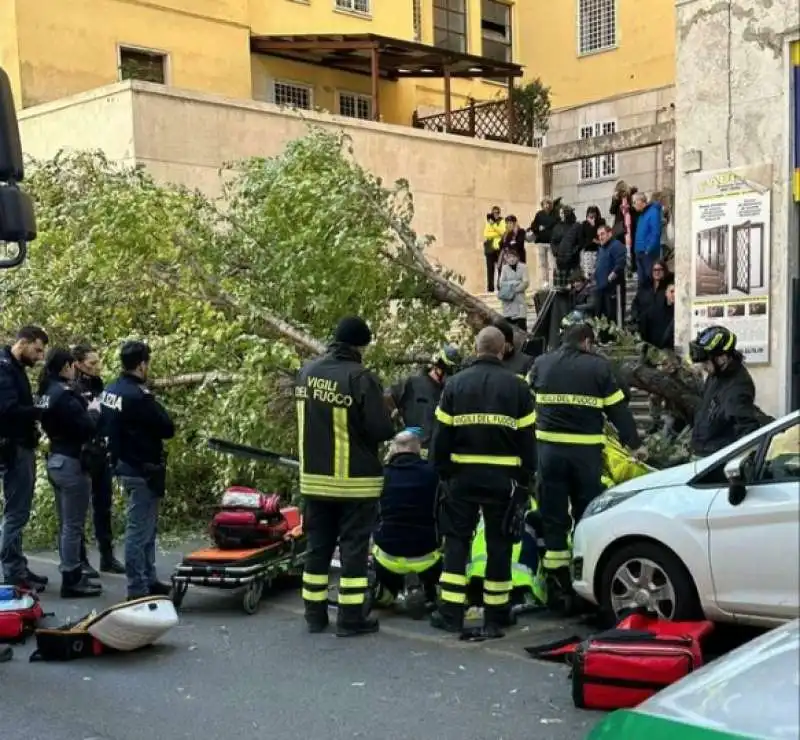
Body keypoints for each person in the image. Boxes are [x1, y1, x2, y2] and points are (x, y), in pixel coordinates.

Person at [429, 326, 536, 636]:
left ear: (475, 349)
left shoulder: (454, 385)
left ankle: (450, 613)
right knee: (499, 546)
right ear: (503, 350)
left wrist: (443, 472)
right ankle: (495, 616)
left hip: (461, 479)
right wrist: (526, 479)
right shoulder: (517, 388)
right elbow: (528, 440)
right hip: (503, 482)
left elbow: (440, 438)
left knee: (457, 543)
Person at [528, 321, 641, 608]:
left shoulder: (542, 363)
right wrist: (635, 444)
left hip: (549, 453)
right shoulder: (598, 368)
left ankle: (556, 586)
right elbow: (618, 410)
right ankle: (584, 585)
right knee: (586, 517)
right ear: (588, 342)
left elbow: (528, 401)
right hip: (585, 455)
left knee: (553, 517)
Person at [296, 316, 395, 637]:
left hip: (313, 479)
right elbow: (380, 429)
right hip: (355, 482)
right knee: (353, 549)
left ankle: (314, 615)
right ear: (360, 345)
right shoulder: (360, 377)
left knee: (317, 547)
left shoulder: (307, 372)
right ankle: (350, 618)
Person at [100, 341, 175, 601]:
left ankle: (148, 579)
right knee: (139, 531)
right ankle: (137, 588)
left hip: (124, 464)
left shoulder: (110, 390)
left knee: (145, 528)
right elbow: (167, 427)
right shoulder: (139, 396)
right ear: (142, 364)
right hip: (142, 468)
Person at [37, 348, 103, 598]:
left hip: (55, 458)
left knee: (66, 523)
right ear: (67, 366)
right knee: (73, 526)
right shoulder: (64, 394)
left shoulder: (45, 391)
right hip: (71, 461)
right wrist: (95, 411)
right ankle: (71, 577)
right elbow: (86, 425)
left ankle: (71, 571)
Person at [371, 430, 441, 620]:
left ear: (393, 449)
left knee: (377, 548)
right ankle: (427, 592)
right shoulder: (433, 474)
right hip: (426, 556)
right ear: (418, 449)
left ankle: (384, 593)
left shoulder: (380, 475)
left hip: (387, 557)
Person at [0, 325, 49, 593]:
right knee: (16, 513)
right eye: (38, 349)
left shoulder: (15, 368)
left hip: (21, 445)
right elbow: (6, 409)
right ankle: (11, 571)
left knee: (19, 510)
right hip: (13, 447)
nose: (40, 356)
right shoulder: (4, 368)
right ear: (24, 342)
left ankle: (17, 564)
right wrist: (38, 411)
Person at [73, 343, 125, 576]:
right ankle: (81, 559)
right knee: (79, 510)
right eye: (92, 363)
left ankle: (107, 556)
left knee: (103, 506)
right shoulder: (72, 387)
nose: (97, 367)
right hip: (83, 453)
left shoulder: (98, 384)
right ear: (78, 364)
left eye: (98, 362)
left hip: (102, 451)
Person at [688, 326, 762, 457]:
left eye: (706, 362)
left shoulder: (738, 387)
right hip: (702, 452)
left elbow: (746, 431)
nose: (703, 366)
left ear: (722, 357)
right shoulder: (716, 376)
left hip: (716, 460)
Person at [386, 345, 461, 457]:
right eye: (447, 372)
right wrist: (395, 415)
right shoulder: (412, 383)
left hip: (437, 456)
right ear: (437, 366)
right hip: (410, 454)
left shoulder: (449, 391)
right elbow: (387, 396)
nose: (449, 377)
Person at [593, 224, 628, 333]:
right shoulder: (602, 248)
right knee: (601, 319)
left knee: (613, 318)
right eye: (598, 235)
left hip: (612, 289)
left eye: (602, 234)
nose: (600, 237)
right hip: (600, 288)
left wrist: (612, 275)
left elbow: (621, 262)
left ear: (610, 233)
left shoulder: (616, 245)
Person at [631, 260, 673, 332]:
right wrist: (636, 316)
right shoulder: (645, 287)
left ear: (665, 271)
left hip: (662, 328)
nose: (657, 272)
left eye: (660, 269)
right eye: (655, 270)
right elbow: (636, 303)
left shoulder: (669, 288)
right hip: (645, 327)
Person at [633, 192, 663, 287]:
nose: (633, 205)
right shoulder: (642, 214)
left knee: (649, 281)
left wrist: (648, 249)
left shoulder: (653, 212)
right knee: (642, 283)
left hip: (648, 254)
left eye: (634, 202)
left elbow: (656, 233)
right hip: (639, 252)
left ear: (640, 201)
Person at [609, 181, 639, 277]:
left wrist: (628, 208)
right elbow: (612, 211)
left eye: (623, 190)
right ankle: (623, 268)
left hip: (631, 226)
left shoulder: (632, 197)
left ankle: (633, 268)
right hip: (621, 228)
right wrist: (615, 200)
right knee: (621, 248)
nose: (622, 193)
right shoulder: (617, 199)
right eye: (619, 191)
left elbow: (636, 210)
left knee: (632, 247)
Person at [497, 246, 530, 331]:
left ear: (517, 258)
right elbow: (501, 283)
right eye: (509, 257)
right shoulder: (504, 268)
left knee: (522, 326)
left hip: (519, 300)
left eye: (513, 257)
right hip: (508, 301)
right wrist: (516, 283)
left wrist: (514, 289)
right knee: (510, 327)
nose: (511, 259)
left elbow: (525, 282)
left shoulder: (523, 267)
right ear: (506, 259)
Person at [579, 205, 606, 282]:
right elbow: (582, 238)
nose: (592, 216)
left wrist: (593, 225)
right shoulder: (584, 224)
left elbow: (600, 234)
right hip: (588, 251)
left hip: (598, 250)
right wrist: (590, 241)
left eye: (593, 213)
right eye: (590, 213)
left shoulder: (601, 222)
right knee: (589, 274)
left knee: (599, 271)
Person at [483, 206, 505, 293]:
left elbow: (502, 232)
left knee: (500, 268)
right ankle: (490, 289)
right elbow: (486, 234)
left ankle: (500, 286)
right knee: (490, 269)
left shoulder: (502, 221)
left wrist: (494, 226)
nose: (496, 214)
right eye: (494, 212)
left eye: (497, 212)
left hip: (499, 248)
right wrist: (497, 233)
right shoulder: (488, 222)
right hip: (490, 248)